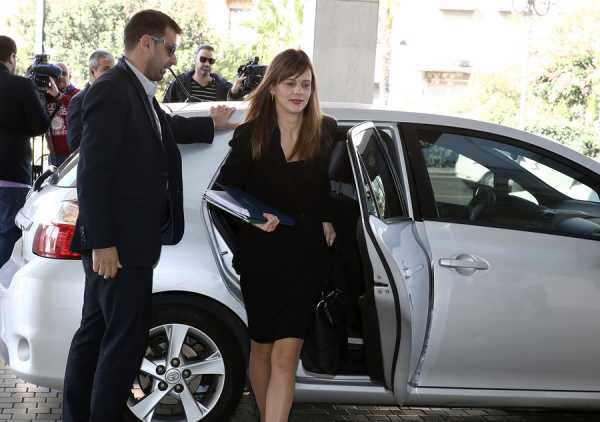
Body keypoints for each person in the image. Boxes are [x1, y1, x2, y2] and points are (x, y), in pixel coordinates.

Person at [62, 10, 234, 422]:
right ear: (146, 43)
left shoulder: (136, 90)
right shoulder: (112, 90)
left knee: (95, 336)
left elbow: (164, 128)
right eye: (170, 49)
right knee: (121, 344)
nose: (174, 59)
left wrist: (210, 125)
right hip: (117, 248)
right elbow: (93, 172)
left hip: (129, 245)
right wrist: (103, 243)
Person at [216, 48, 337, 422]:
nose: (299, 92)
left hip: (306, 256)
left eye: (306, 84)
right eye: (290, 83)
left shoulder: (324, 130)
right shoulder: (251, 135)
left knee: (287, 355)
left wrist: (327, 218)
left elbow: (327, 188)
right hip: (261, 255)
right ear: (272, 88)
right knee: (263, 349)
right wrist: (253, 218)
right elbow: (226, 190)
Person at [0, 35, 50, 268]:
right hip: (12, 173)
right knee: (9, 234)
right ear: (11, 57)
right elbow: (40, 125)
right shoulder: (21, 85)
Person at [67, 49, 115, 151]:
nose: (111, 74)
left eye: (113, 70)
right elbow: (75, 143)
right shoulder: (79, 100)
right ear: (93, 72)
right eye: (106, 69)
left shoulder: (116, 96)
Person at [163, 43, 244, 102]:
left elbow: (235, 108)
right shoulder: (179, 83)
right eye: (203, 59)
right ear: (195, 59)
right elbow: (165, 110)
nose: (207, 64)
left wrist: (234, 93)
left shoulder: (223, 86)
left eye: (211, 61)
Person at [45, 62, 79, 166]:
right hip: (54, 156)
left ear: (70, 76)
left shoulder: (77, 94)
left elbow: (77, 110)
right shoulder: (45, 97)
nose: (60, 77)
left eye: (64, 73)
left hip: (74, 155)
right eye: (56, 74)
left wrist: (58, 96)